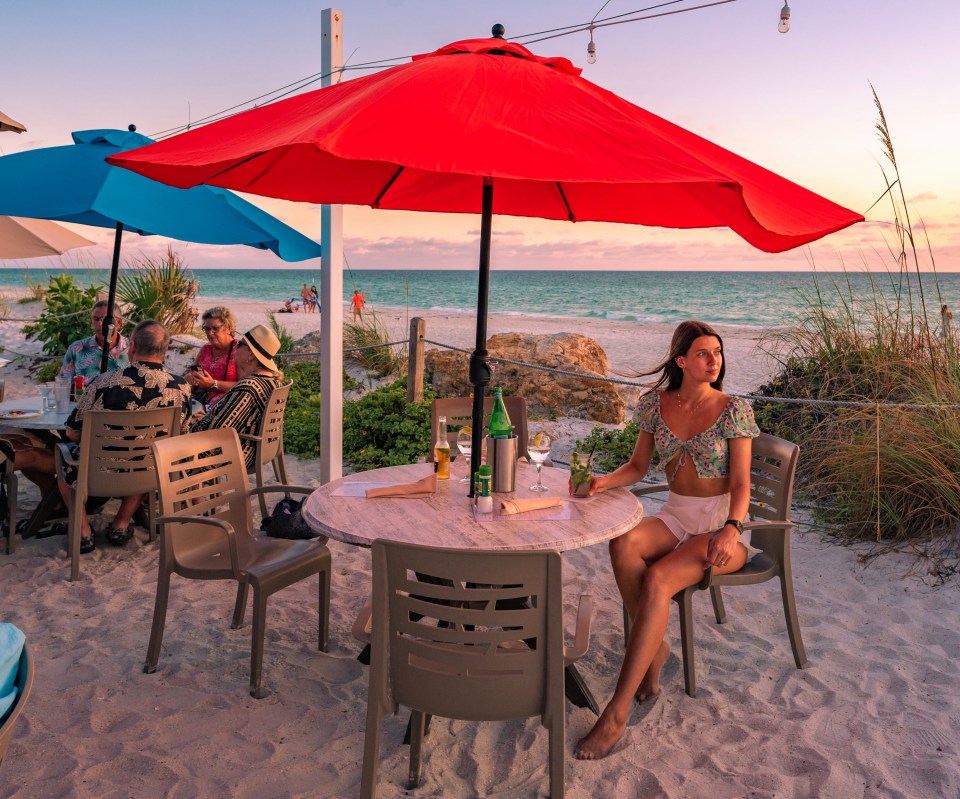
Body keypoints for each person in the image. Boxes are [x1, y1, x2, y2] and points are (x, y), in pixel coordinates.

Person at [574, 320, 760, 760]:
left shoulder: (735, 408)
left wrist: (732, 528)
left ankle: (616, 713)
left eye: (717, 352)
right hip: (676, 513)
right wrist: (602, 482)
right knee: (621, 543)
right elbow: (638, 468)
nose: (713, 360)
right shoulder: (654, 406)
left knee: (658, 580)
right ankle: (654, 649)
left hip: (719, 525)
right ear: (681, 361)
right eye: (702, 353)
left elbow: (742, 485)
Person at [57, 320, 192, 553]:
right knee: (145, 450)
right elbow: (182, 435)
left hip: (98, 472)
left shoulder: (103, 383)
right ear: (165, 350)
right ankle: (121, 522)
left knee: (62, 456)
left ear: (133, 346)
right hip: (151, 472)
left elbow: (72, 433)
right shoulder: (181, 387)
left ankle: (83, 531)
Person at [189, 324, 284, 471]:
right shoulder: (272, 381)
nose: (235, 347)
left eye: (240, 344)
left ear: (251, 355)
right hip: (257, 448)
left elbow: (218, 432)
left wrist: (189, 428)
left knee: (167, 451)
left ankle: (185, 492)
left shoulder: (248, 387)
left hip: (237, 452)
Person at [58, 300, 129, 384]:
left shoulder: (131, 348)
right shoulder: (76, 349)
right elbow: (63, 383)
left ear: (119, 322)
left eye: (104, 319)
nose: (99, 323)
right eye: (96, 319)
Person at [185, 306, 239, 408]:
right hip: (199, 399)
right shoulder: (205, 349)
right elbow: (191, 375)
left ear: (228, 328)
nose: (210, 333)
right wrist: (190, 379)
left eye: (215, 328)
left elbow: (244, 385)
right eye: (207, 328)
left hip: (224, 405)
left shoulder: (239, 351)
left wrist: (214, 384)